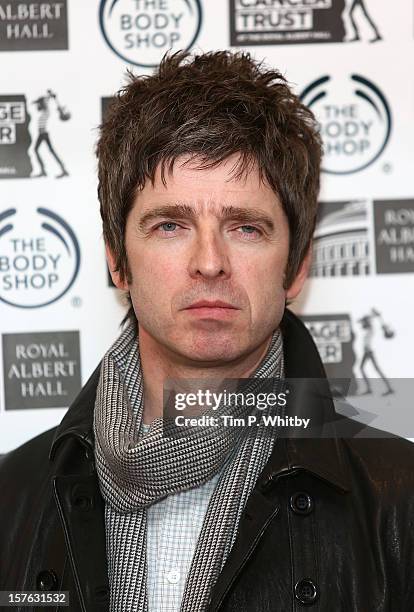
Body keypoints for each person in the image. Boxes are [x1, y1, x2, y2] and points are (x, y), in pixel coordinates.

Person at [1, 51, 414, 612]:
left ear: (296, 266)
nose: (210, 262)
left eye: (245, 227)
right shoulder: (13, 497)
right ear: (117, 261)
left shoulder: (402, 501)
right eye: (170, 225)